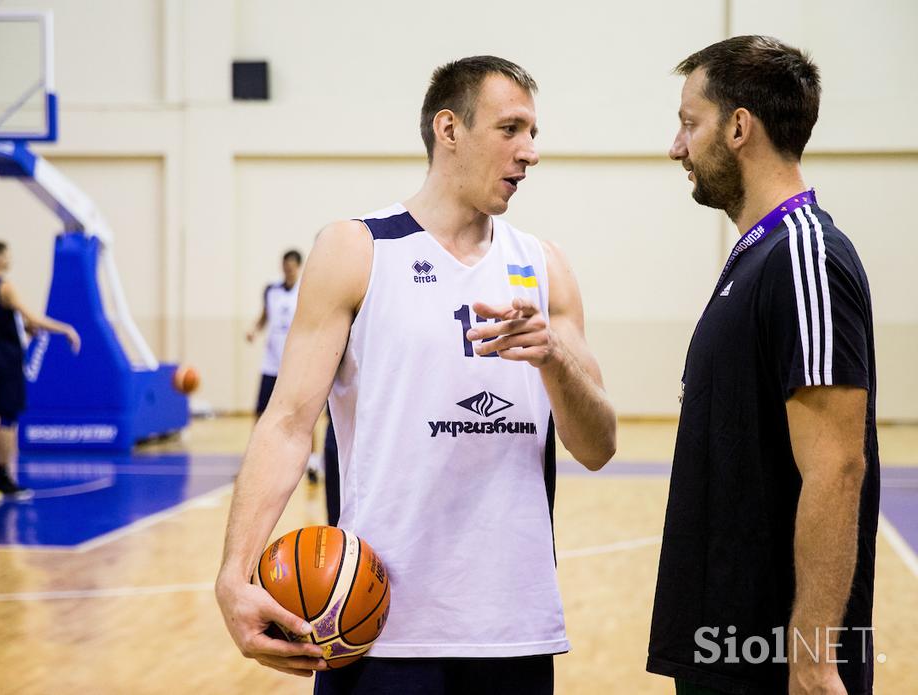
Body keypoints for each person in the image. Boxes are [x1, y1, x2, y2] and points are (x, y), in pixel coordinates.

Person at [215, 56, 616, 694]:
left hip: (513, 628)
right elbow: (288, 425)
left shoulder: (546, 267)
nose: (530, 152)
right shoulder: (357, 249)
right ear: (448, 129)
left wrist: (554, 360)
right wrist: (234, 575)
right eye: (511, 129)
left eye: (533, 133)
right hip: (373, 625)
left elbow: (597, 448)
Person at [647, 36, 879, 695]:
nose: (676, 145)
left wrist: (811, 660)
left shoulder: (804, 256)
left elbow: (836, 465)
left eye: (690, 123)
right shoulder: (757, 256)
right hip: (725, 651)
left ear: (739, 126)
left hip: (772, 664)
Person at [0, 241, 80, 501]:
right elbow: (32, 318)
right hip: (7, 361)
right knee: (7, 419)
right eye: (7, 254)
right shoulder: (5, 287)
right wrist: (65, 329)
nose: (10, 258)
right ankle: (2, 479)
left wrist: (23, 330)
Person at [246, 249, 303, 418]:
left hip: (294, 361)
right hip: (271, 361)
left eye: (291, 268)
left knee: (300, 412)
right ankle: (257, 444)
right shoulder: (271, 290)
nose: (288, 271)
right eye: (285, 267)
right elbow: (264, 316)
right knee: (261, 409)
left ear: (298, 267)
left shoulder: (304, 291)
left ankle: (310, 446)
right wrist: (254, 330)